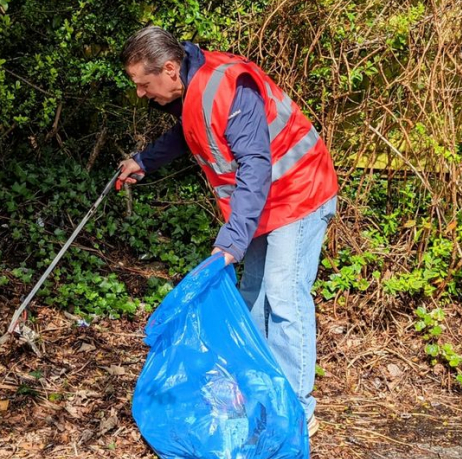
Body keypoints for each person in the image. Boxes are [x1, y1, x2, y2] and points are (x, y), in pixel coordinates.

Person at [117, 26, 338, 437]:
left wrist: (233, 241)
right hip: (264, 205)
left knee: (284, 296)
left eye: (144, 85)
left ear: (168, 69)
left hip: (301, 191)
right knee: (253, 296)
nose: (141, 94)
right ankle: (266, 392)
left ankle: (297, 411)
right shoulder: (191, 89)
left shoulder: (228, 87)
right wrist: (144, 161)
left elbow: (255, 166)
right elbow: (189, 132)